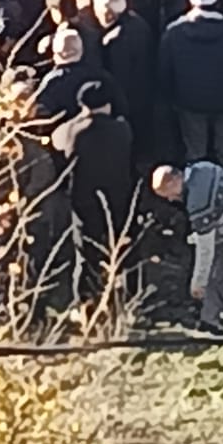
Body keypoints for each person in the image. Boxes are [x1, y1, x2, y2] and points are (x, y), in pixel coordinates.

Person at [152, 160, 223, 332]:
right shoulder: (203, 167)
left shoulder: (198, 203)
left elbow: (205, 251)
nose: (170, 199)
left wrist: (197, 283)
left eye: (167, 194)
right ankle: (209, 321)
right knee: (214, 274)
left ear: (173, 182)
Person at [53, 81, 137, 296]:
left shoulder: (72, 132)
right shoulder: (122, 129)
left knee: (86, 252)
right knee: (124, 246)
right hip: (118, 197)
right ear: (108, 104)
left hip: (84, 199)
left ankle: (87, 299)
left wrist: (79, 118)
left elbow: (56, 141)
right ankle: (130, 294)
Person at [160, 0, 223, 171]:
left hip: (189, 102)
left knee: (195, 154)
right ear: (218, 1)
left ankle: (196, 188)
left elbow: (165, 71)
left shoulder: (173, 33)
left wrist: (172, 98)